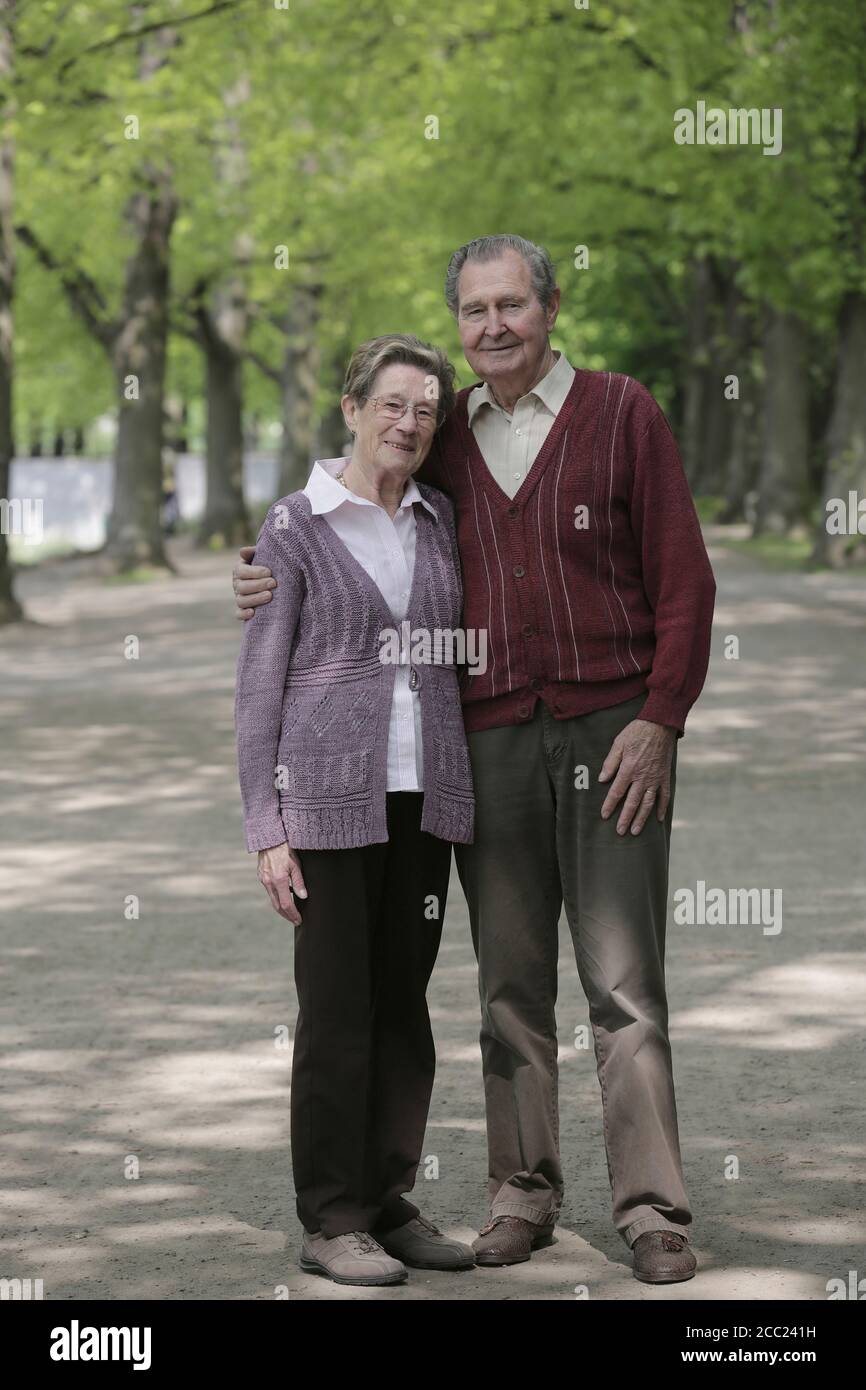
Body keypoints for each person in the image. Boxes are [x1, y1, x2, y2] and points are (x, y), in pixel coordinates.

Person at [234, 236, 717, 1286]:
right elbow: (340, 513)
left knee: (622, 981)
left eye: (510, 304)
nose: (491, 325)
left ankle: (650, 1209)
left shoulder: (619, 412)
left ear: (548, 307)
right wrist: (257, 568)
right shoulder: (440, 441)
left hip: (611, 732)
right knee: (505, 984)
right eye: (472, 309)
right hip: (483, 739)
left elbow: (682, 577)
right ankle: (520, 1197)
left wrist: (661, 715)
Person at [234, 333, 476, 1287]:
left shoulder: (439, 517)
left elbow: (464, 640)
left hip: (427, 795)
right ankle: (331, 1216)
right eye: (392, 403)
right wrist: (267, 828)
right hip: (327, 802)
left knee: (403, 1008)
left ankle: (386, 1198)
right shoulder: (294, 526)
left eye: (426, 409)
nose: (408, 422)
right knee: (336, 1010)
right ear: (351, 407)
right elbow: (258, 689)